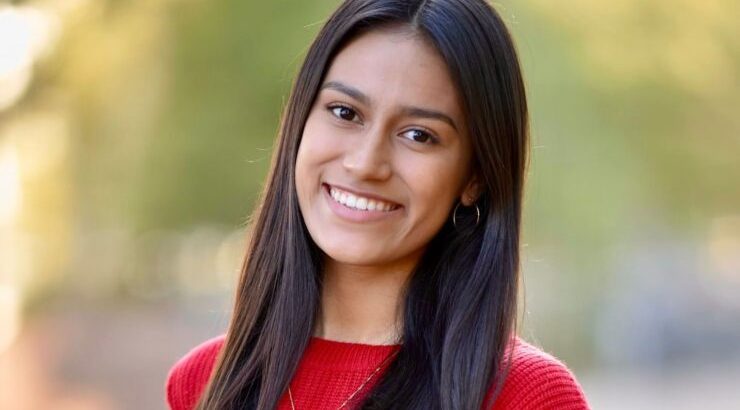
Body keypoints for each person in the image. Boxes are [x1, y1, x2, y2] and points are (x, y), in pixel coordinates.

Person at [166, 0, 590, 409]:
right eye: (344, 112)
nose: (366, 163)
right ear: (300, 122)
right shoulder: (203, 383)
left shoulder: (528, 397)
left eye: (419, 135)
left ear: (475, 178)